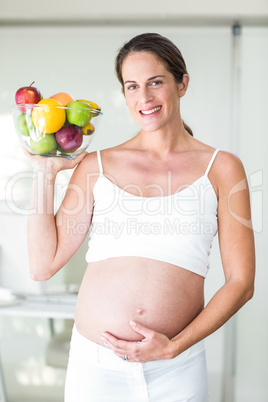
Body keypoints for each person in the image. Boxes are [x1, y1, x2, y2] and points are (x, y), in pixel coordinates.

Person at [26, 33, 255, 402]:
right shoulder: (96, 165)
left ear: (182, 84)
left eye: (156, 82)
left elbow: (242, 283)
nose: (144, 98)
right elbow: (42, 265)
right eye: (132, 86)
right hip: (95, 368)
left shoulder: (222, 168)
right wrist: (44, 173)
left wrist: (174, 346)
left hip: (176, 369)